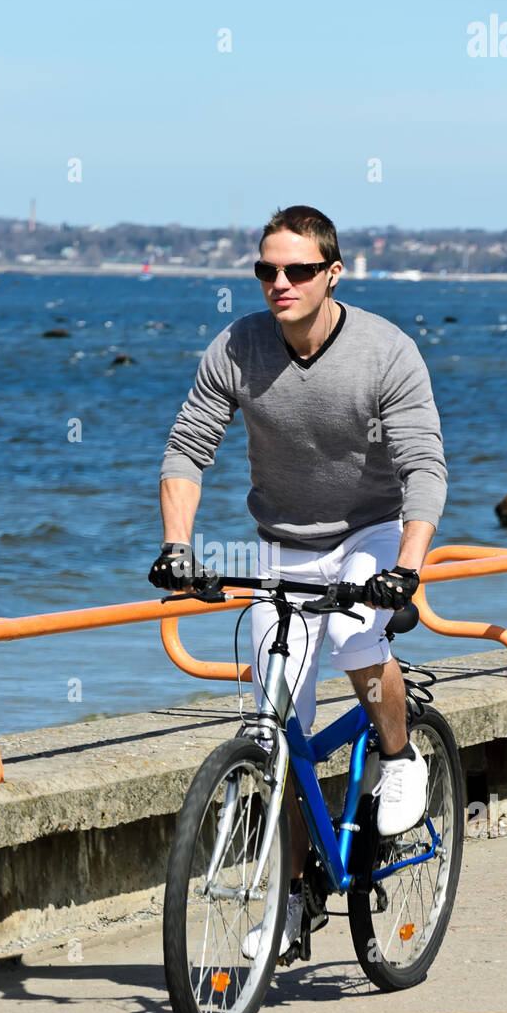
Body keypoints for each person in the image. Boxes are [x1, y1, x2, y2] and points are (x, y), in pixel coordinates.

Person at [149, 204, 447, 958]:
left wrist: (406, 570)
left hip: (370, 532)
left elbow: (423, 468)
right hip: (281, 541)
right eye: (266, 271)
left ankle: (400, 750)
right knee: (275, 727)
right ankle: (288, 900)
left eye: (298, 270)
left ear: (332, 273)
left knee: (353, 635)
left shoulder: (386, 352)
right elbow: (188, 447)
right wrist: (177, 547)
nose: (279, 283)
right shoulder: (238, 346)